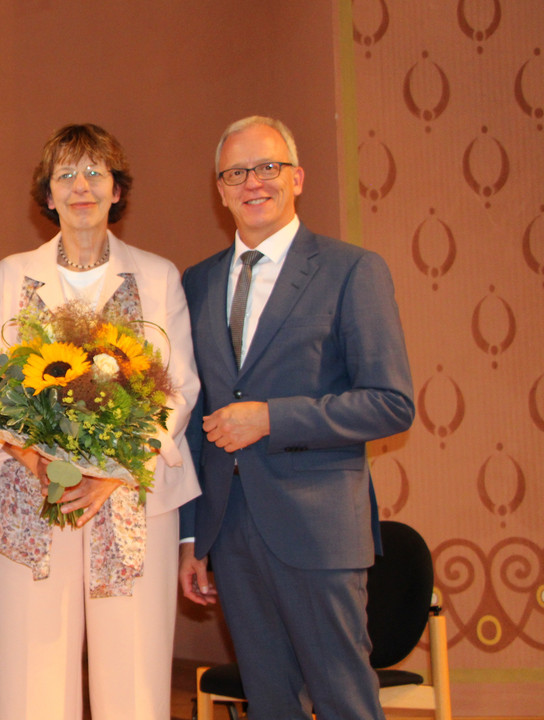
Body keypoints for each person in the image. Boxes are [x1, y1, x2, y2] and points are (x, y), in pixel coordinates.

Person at [178, 116, 415, 720]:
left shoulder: (352, 270)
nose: (252, 182)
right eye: (236, 172)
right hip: (230, 532)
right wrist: (191, 537)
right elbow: (187, 419)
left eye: (267, 168)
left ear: (298, 178)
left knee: (343, 701)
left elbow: (391, 401)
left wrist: (271, 419)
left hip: (319, 530)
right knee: (269, 702)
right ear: (221, 190)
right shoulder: (197, 284)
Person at [0, 124, 200, 720]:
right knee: (31, 676)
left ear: (118, 190)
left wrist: (114, 474)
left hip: (133, 495)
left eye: (95, 173)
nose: (81, 187)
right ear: (46, 195)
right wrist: (33, 459)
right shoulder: (11, 275)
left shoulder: (158, 276)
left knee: (136, 677)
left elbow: (180, 388)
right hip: (29, 490)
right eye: (66, 175)